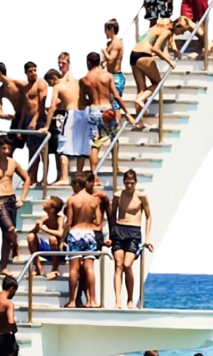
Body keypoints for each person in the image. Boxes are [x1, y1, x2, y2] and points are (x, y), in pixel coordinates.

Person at [77, 50, 135, 177]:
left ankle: (94, 174)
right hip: (107, 109)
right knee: (114, 138)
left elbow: (81, 103)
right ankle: (115, 166)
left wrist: (90, 101)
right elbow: (116, 96)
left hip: (94, 111)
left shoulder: (84, 79)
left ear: (88, 62)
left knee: (96, 143)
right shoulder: (108, 76)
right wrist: (127, 113)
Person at [0, 134, 33, 271]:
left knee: (6, 236)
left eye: (8, 148)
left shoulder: (14, 162)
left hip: (11, 199)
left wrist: (22, 197)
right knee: (10, 230)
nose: (6, 151)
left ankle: (3, 267)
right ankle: (16, 247)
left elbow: (27, 178)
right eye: (3, 148)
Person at [126, 14, 182, 126]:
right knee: (158, 83)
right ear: (177, 27)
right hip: (143, 56)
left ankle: (139, 121)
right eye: (183, 31)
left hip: (132, 55)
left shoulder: (154, 28)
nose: (182, 33)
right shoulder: (167, 32)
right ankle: (140, 100)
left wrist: (174, 51)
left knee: (141, 89)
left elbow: (161, 46)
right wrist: (169, 61)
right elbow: (156, 49)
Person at [64, 171, 106, 308]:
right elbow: (99, 221)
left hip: (75, 232)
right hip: (89, 233)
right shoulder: (93, 200)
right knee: (89, 268)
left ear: (77, 184)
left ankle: (72, 301)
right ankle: (92, 300)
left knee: (74, 269)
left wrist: (62, 239)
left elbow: (69, 222)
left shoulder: (72, 200)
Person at [111, 169, 152, 309]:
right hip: (119, 229)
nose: (129, 186)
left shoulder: (141, 196)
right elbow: (112, 214)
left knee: (127, 265)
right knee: (118, 265)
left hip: (134, 231)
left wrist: (147, 238)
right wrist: (112, 232)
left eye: (132, 183)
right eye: (127, 183)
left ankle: (130, 298)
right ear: (123, 182)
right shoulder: (117, 195)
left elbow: (149, 216)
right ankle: (117, 300)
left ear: (135, 183)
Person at [44, 54, 84, 186]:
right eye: (58, 63)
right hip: (81, 113)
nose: (60, 66)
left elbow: (53, 107)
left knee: (63, 147)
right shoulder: (71, 81)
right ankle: (78, 175)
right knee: (80, 147)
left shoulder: (65, 81)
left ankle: (65, 177)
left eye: (63, 63)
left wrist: (46, 126)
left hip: (70, 114)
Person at [27, 195, 67, 279]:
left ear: (52, 209)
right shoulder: (44, 218)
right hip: (51, 251)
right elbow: (31, 233)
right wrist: (37, 227)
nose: (43, 204)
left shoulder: (60, 219)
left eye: (46, 203)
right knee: (31, 237)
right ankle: (38, 268)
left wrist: (44, 229)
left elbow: (60, 233)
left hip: (61, 252)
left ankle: (55, 269)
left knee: (52, 239)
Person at [100, 20, 127, 106]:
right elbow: (106, 61)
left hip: (116, 77)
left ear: (111, 29)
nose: (104, 32)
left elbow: (111, 59)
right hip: (110, 76)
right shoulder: (110, 43)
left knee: (116, 105)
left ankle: (117, 120)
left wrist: (104, 51)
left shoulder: (117, 43)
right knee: (109, 103)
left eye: (105, 30)